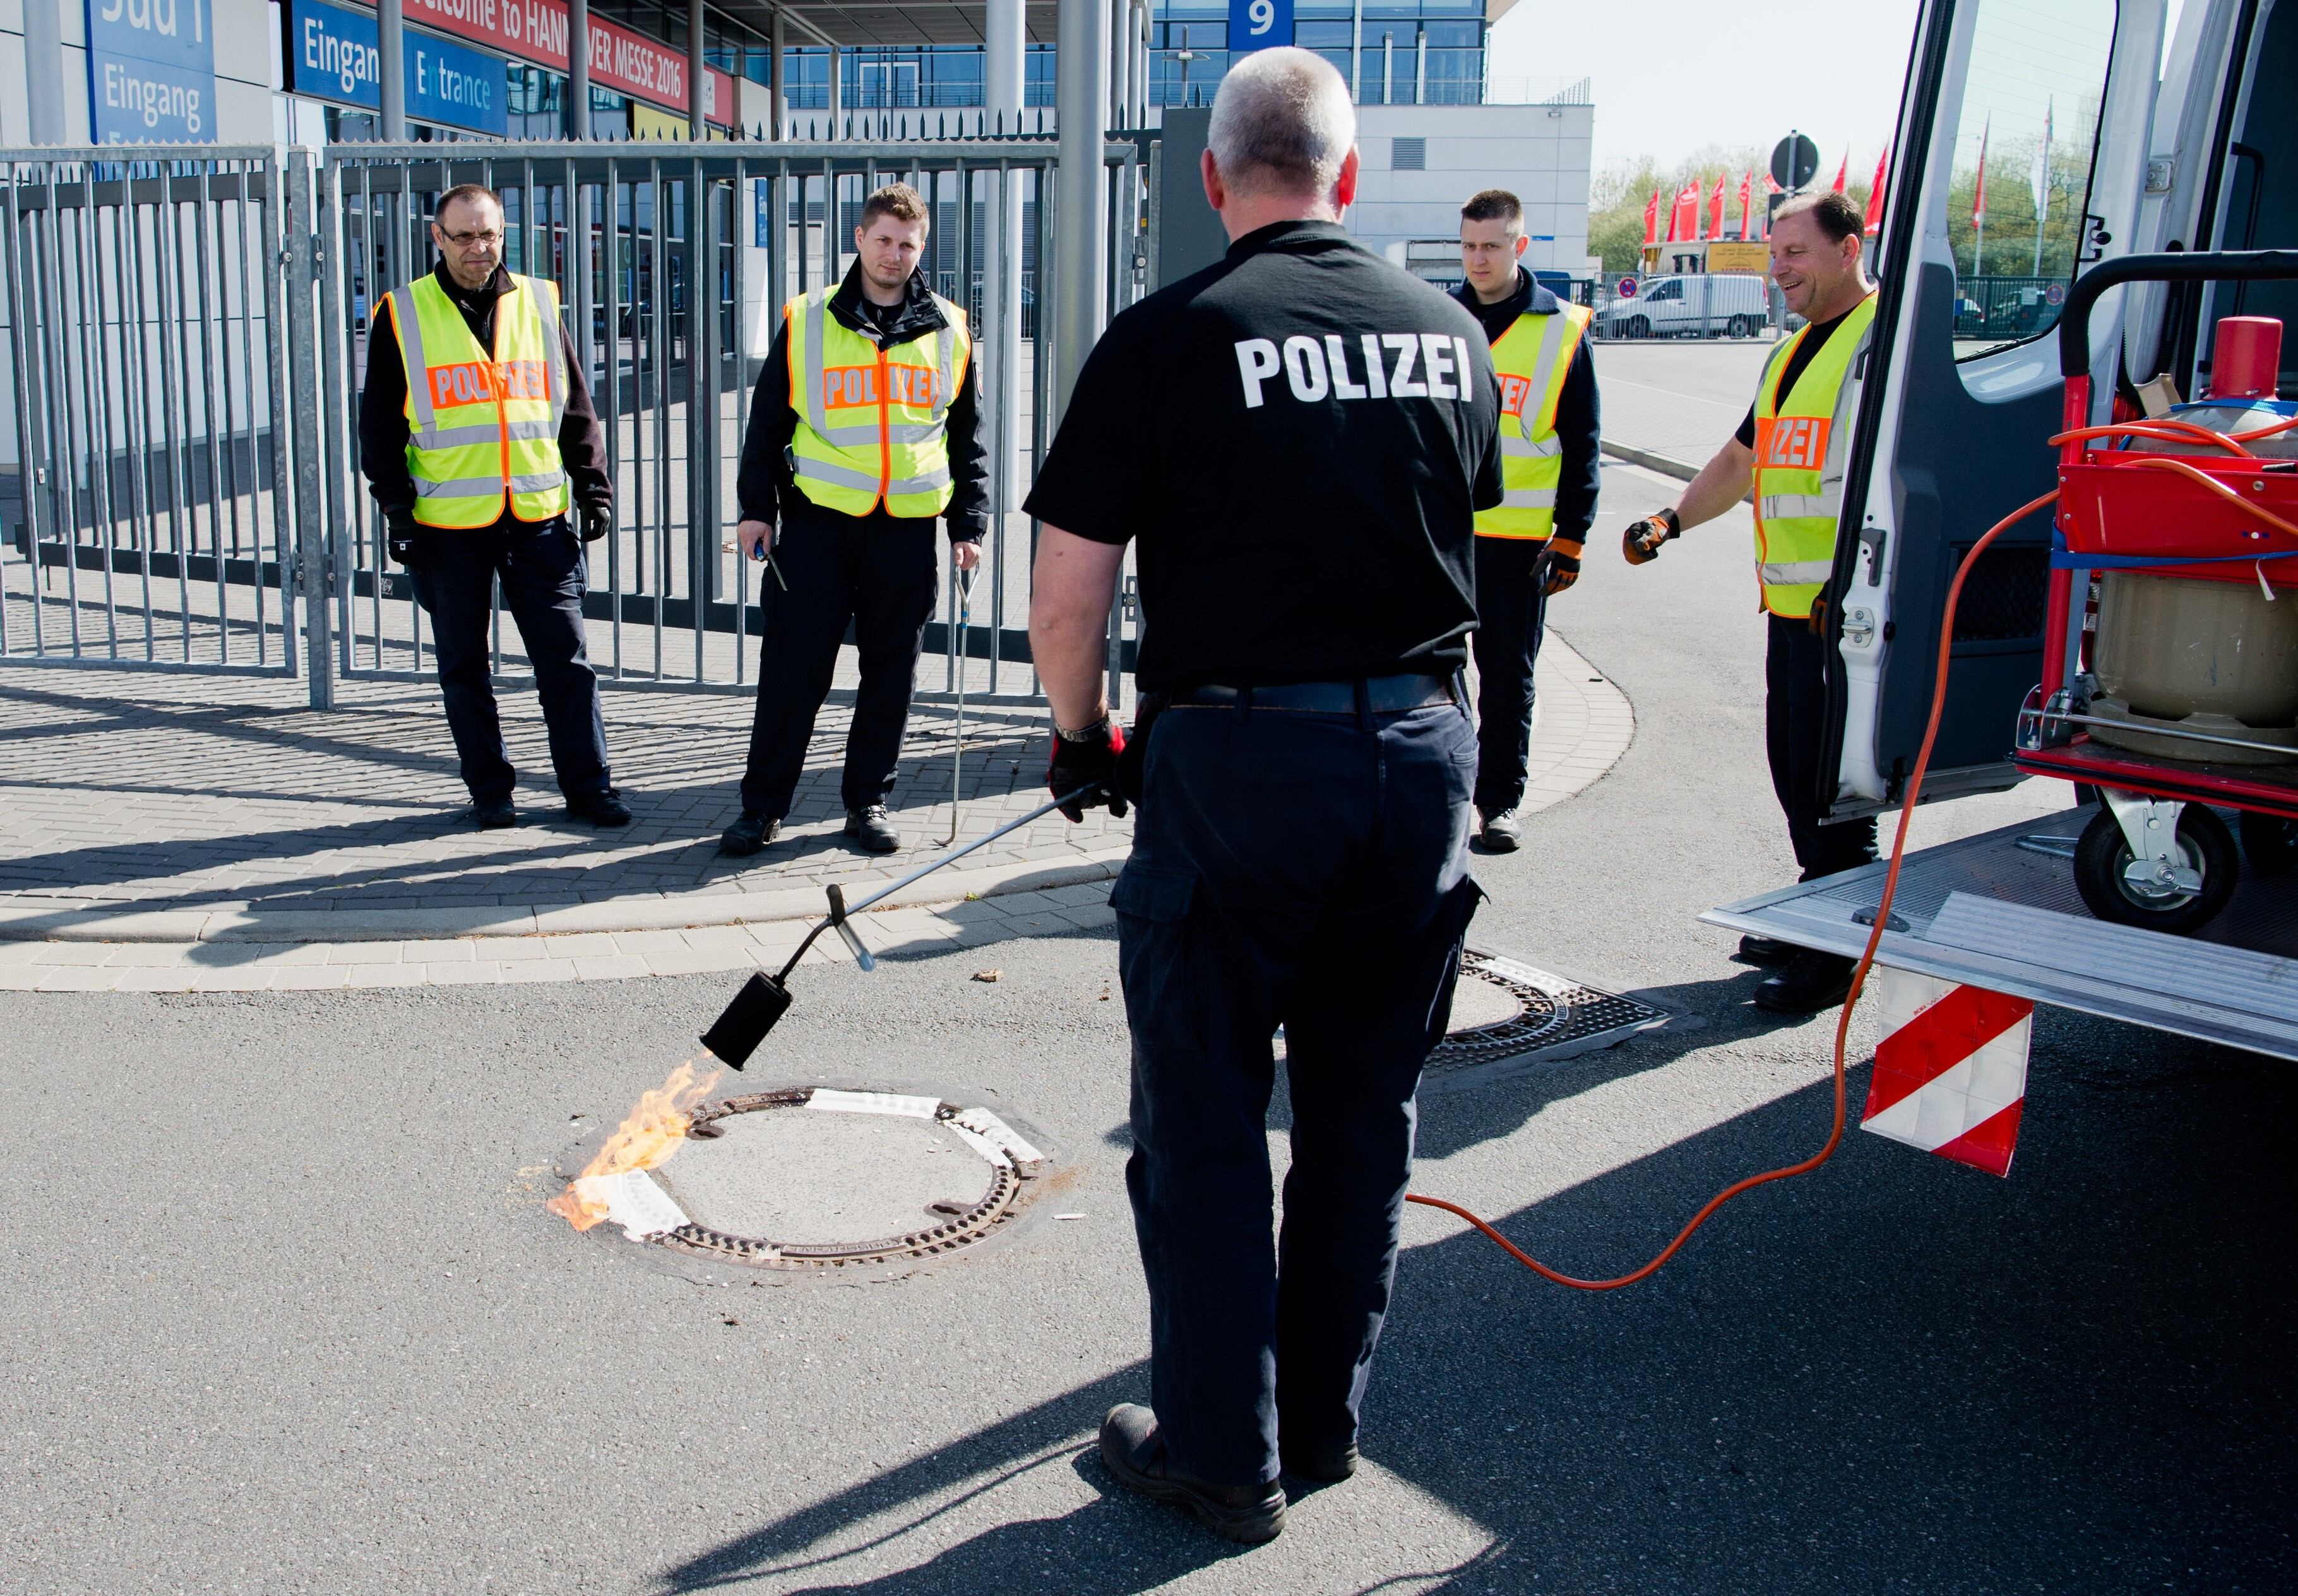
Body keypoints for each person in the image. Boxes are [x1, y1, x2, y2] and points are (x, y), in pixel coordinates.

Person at [1024, 47, 1499, 1545]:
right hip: (1420, 758)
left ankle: (1223, 1454)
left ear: (1216, 180)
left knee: (1210, 1112)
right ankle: (1323, 1421)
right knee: (1365, 1109)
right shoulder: (1448, 336)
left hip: (1236, 765)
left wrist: (1083, 729)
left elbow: (1068, 592)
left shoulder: (1166, 339)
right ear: (1348, 180)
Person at [1621, 189, 1879, 1012]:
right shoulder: (1791, 355)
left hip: (1851, 616)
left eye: (1796, 253)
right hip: (1793, 611)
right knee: (1795, 774)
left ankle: (1837, 950)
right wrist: (1670, 519)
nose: (1780, 271)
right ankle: (1817, 910)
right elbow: (1739, 464)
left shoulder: (1881, 346)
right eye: (1774, 255)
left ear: (1849, 246)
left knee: (1838, 789)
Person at [718, 182, 989, 858]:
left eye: (908, 243)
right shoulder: (807, 318)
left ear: (922, 248)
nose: (895, 254)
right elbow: (767, 421)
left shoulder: (950, 328)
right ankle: (762, 808)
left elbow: (967, 438)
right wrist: (757, 509)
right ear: (860, 239)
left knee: (891, 671)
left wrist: (969, 525)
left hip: (904, 529)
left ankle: (867, 801)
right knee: (793, 669)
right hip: (817, 526)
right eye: (884, 239)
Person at [359, 183, 628, 831]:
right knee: (464, 668)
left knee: (566, 663)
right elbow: (378, 428)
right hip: (447, 527)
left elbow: (572, 405)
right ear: (437, 237)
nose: (480, 249)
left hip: (536, 517)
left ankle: (589, 788)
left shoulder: (538, 301)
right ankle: (490, 791)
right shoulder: (403, 313)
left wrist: (593, 486)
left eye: (490, 235)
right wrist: (396, 509)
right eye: (465, 237)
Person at [1453, 189, 1600, 851]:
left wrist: (1572, 535)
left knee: (1509, 676)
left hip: (1519, 543)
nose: (1478, 259)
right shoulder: (1439, 318)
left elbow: (1583, 440)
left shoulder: (1561, 330)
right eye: (1468, 246)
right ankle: (1445, 789)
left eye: (1491, 245)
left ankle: (1500, 802)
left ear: (1521, 245)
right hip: (1443, 537)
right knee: (1436, 672)